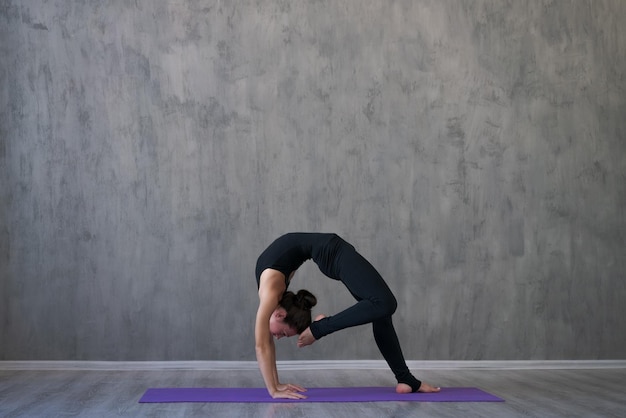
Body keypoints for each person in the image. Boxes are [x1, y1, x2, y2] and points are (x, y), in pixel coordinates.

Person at [254, 232, 440, 399]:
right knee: (379, 310)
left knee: (384, 304)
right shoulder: (274, 296)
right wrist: (275, 384)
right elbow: (266, 343)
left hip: (332, 250)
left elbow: (261, 345)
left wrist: (273, 390)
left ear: (279, 315)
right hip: (326, 252)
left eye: (283, 334)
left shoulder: (270, 293)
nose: (277, 337)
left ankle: (321, 327)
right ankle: (405, 379)